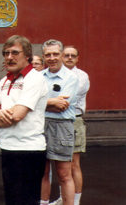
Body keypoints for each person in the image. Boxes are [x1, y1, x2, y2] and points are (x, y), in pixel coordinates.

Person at [0, 35, 48, 205]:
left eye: (14, 52)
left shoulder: (35, 78)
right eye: (6, 53)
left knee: (26, 201)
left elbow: (18, 115)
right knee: (12, 199)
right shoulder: (5, 80)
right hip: (8, 147)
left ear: (27, 55)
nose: (9, 57)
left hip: (29, 150)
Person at [39, 40, 79, 205]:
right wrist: (51, 102)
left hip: (62, 127)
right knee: (43, 172)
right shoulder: (39, 76)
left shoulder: (71, 78)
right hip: (40, 126)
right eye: (48, 54)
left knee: (64, 174)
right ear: (43, 56)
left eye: (55, 54)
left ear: (61, 55)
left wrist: (41, 103)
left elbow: (62, 107)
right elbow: (35, 104)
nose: (52, 58)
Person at [49, 46, 90, 205]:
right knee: (61, 165)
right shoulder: (56, 74)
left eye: (73, 55)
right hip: (54, 120)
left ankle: (76, 201)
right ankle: (63, 198)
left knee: (73, 164)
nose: (69, 58)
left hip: (74, 121)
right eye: (66, 55)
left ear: (78, 58)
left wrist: (49, 101)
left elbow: (65, 99)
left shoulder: (81, 76)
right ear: (61, 56)